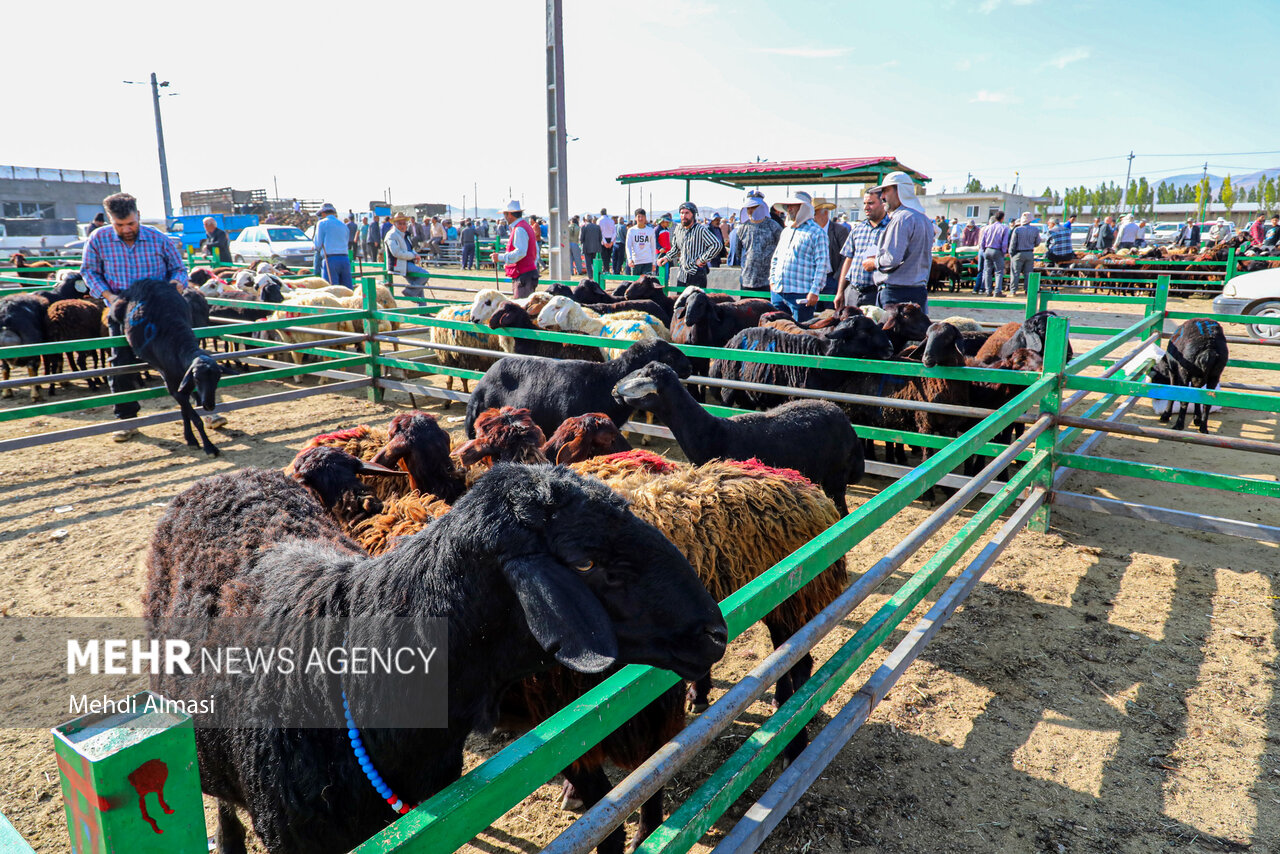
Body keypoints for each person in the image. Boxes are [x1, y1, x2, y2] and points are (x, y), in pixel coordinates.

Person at [80, 192, 214, 441]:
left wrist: (177, 283)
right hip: (122, 309)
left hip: (161, 309)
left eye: (130, 223)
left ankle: (204, 407)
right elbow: (89, 271)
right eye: (119, 225)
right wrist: (109, 297)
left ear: (138, 216)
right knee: (120, 362)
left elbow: (178, 268)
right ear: (110, 220)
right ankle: (126, 418)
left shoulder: (157, 238)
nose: (126, 229)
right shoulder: (98, 239)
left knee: (183, 354)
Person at [864, 173, 933, 310]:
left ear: (899, 190)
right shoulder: (923, 219)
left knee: (891, 331)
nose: (882, 196)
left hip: (896, 294)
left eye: (886, 190)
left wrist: (873, 262)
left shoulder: (901, 219)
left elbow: (891, 259)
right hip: (917, 290)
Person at [765, 191, 826, 323]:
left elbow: (822, 264)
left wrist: (814, 291)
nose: (789, 209)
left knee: (801, 334)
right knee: (777, 331)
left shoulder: (816, 232)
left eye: (793, 205)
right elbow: (776, 258)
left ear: (804, 208)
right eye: (788, 205)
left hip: (801, 293)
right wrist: (772, 281)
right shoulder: (786, 231)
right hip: (779, 291)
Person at [836, 190, 890, 309]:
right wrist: (840, 291)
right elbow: (848, 260)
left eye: (870, 203)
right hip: (853, 293)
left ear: (883, 203)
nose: (866, 207)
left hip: (876, 293)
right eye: (864, 203)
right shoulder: (857, 229)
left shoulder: (891, 228)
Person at [657, 201, 719, 290]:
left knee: (695, 303)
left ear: (693, 215)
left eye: (687, 213)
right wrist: (666, 258)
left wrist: (702, 259)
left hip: (697, 273)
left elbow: (716, 245)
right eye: (682, 213)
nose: (684, 216)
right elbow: (675, 249)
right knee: (680, 302)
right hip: (682, 274)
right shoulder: (678, 229)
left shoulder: (700, 229)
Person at [490, 200, 540, 298]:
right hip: (528, 274)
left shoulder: (519, 229)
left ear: (509, 214)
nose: (504, 217)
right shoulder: (526, 227)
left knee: (521, 307)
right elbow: (535, 251)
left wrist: (500, 257)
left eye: (505, 214)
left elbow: (520, 252)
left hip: (523, 276)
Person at [734, 190, 783, 291]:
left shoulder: (774, 226)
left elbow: (782, 249)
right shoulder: (742, 228)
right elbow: (738, 252)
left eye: (754, 207)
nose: (750, 211)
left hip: (768, 281)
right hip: (746, 280)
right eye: (748, 208)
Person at [384, 213, 432, 303]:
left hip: (407, 263)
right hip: (398, 264)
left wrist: (415, 254)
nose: (403, 226)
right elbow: (396, 252)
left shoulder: (404, 234)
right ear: (395, 224)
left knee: (418, 286)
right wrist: (413, 255)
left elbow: (409, 248)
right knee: (424, 275)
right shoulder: (391, 235)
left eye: (404, 223)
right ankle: (409, 292)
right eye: (400, 224)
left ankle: (423, 310)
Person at [812, 197, 848, 295]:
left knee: (830, 309)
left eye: (814, 213)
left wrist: (836, 279)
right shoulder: (809, 232)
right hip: (812, 280)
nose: (812, 217)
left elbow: (846, 257)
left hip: (831, 279)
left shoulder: (840, 230)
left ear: (826, 213)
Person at [313, 203, 352, 288]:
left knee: (331, 289)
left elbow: (318, 244)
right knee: (347, 289)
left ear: (323, 213)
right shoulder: (343, 225)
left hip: (330, 259)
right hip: (345, 259)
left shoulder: (322, 223)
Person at [976, 211, 1010, 296]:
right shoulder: (1004, 228)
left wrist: (984, 249)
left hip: (987, 250)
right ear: (1002, 218)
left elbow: (982, 241)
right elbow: (1005, 242)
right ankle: (997, 291)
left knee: (987, 271)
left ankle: (988, 290)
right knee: (999, 271)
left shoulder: (987, 228)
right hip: (997, 250)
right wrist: (1004, 252)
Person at [1007, 212, 1040, 296]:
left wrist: (1011, 254)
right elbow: (1037, 242)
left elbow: (1012, 244)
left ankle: (1013, 291)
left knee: (1015, 273)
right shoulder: (1035, 230)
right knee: (1028, 273)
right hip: (1029, 253)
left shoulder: (1017, 230)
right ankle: (1028, 290)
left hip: (1018, 253)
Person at [626, 209, 658, 274]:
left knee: (647, 283)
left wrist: (654, 262)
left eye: (642, 216)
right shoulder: (631, 230)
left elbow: (653, 246)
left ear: (645, 218)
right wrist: (629, 259)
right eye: (638, 217)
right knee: (636, 283)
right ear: (635, 218)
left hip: (648, 261)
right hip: (636, 262)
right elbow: (628, 246)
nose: (640, 219)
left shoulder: (650, 230)